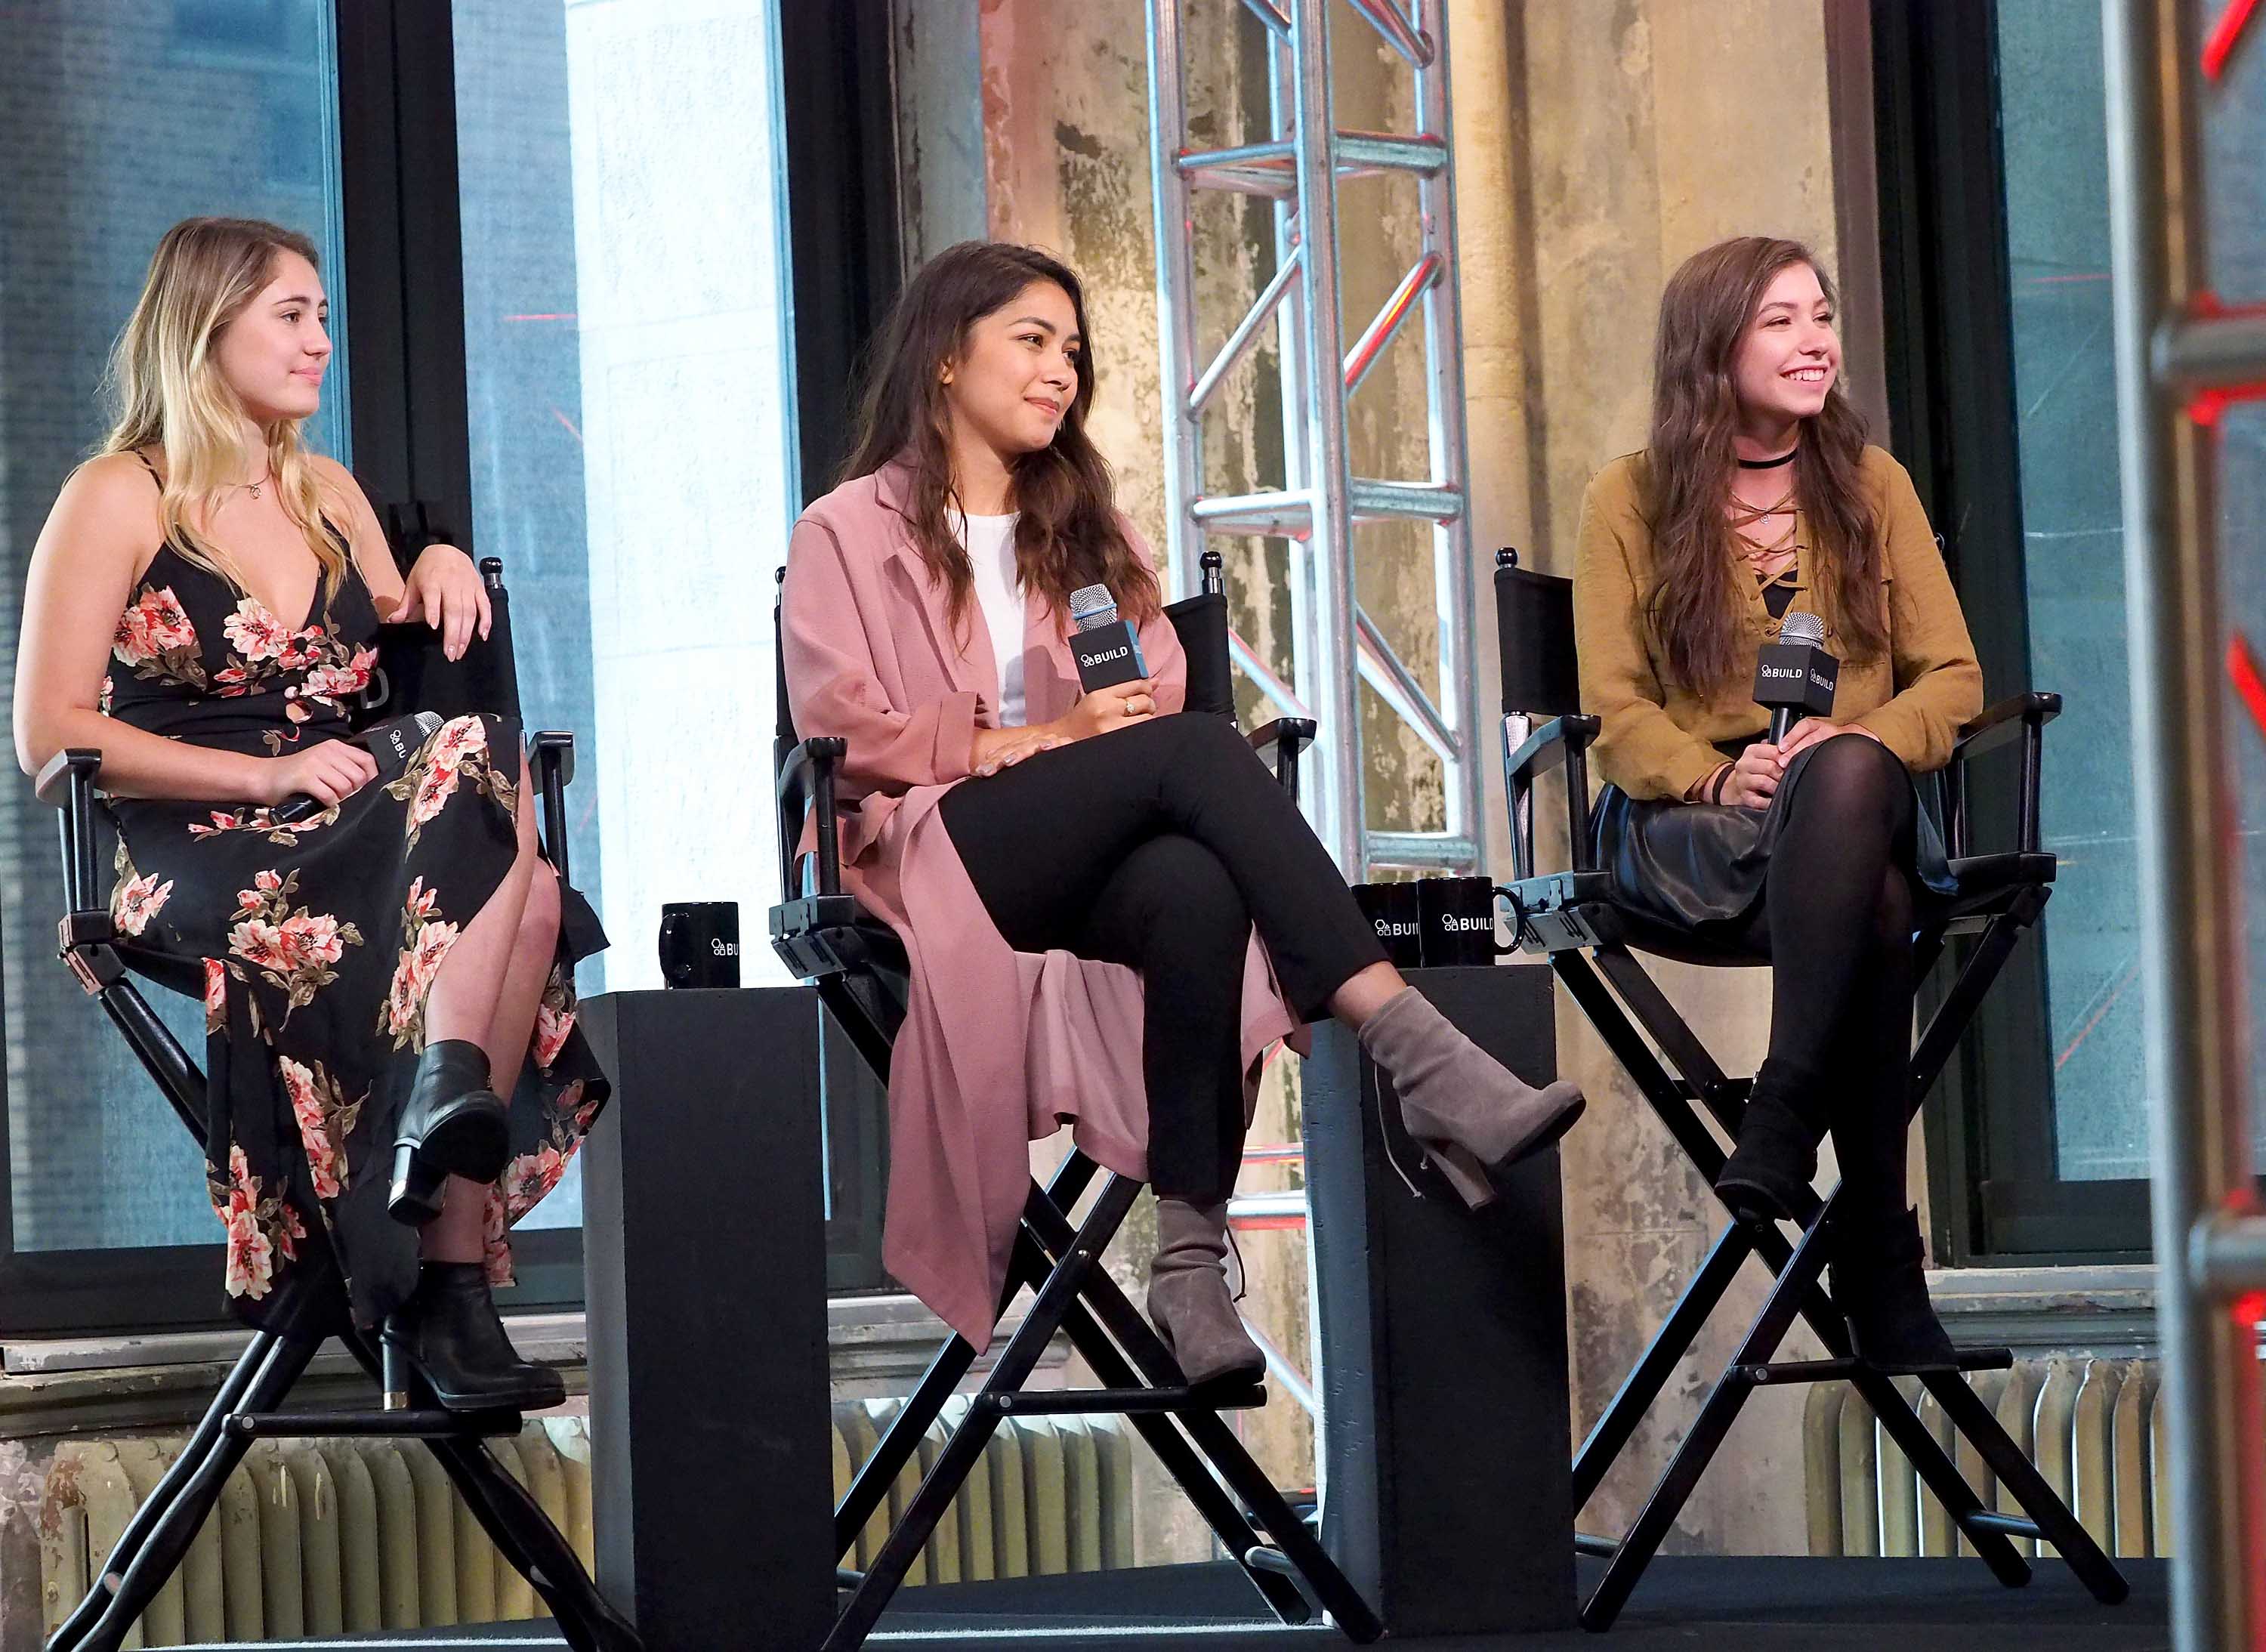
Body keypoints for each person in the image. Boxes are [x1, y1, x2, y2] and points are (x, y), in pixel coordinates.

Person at [783, 240, 1582, 1387]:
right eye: (1031, 342)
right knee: (1204, 749)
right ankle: (1417, 1056)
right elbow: (838, 723)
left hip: (1077, 844)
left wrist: (1095, 739)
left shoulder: (1095, 536)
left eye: (1073, 351)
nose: (1061, 370)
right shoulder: (846, 531)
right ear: (948, 358)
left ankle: (1192, 1260)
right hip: (933, 845)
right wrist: (1020, 742)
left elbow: (1150, 704)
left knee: (1195, 888)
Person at [12, 218, 607, 1410]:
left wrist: (433, 563)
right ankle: (448, 1200)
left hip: (350, 823)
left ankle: (449, 1219)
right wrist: (263, 779)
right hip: (194, 835)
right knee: (490, 825)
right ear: (204, 327)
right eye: (291, 315)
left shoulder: (324, 491)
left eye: (325, 316)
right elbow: (49, 736)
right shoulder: (118, 497)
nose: (320, 341)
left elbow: (399, 626)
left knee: (532, 884)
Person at [1573, 235, 1984, 1372]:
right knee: (1878, 897)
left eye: (1823, 317)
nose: (1817, 344)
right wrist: (1716, 771)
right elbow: (1610, 705)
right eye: (1782, 322)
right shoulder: (1632, 499)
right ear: (1715, 350)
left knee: (1847, 777)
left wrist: (1861, 736)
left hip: (1852, 799)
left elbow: (1954, 679)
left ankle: (1784, 1105)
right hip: (1699, 834)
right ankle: (1882, 1258)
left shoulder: (1872, 485)